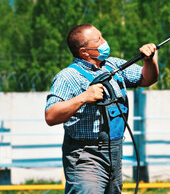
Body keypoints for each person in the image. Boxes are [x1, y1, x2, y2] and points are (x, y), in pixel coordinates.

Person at [45, 23, 159, 193]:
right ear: (84, 52)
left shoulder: (112, 65)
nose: (104, 41)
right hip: (85, 155)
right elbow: (51, 115)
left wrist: (148, 61)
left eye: (102, 36)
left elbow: (147, 79)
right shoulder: (67, 77)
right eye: (98, 40)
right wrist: (84, 97)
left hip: (115, 150)